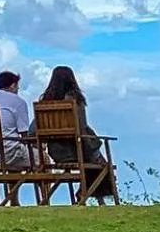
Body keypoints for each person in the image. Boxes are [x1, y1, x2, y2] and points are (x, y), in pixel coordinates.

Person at [38, 65, 116, 203]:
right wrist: (93, 146)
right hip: (76, 151)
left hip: (57, 153)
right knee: (100, 163)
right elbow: (81, 127)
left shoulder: (44, 102)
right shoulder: (75, 100)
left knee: (95, 162)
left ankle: (91, 197)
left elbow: (35, 129)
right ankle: (91, 197)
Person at [0, 70, 33, 204]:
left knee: (17, 157)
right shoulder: (18, 102)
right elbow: (24, 133)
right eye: (17, 87)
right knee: (42, 159)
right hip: (8, 152)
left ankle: (13, 201)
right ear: (13, 85)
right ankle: (44, 200)